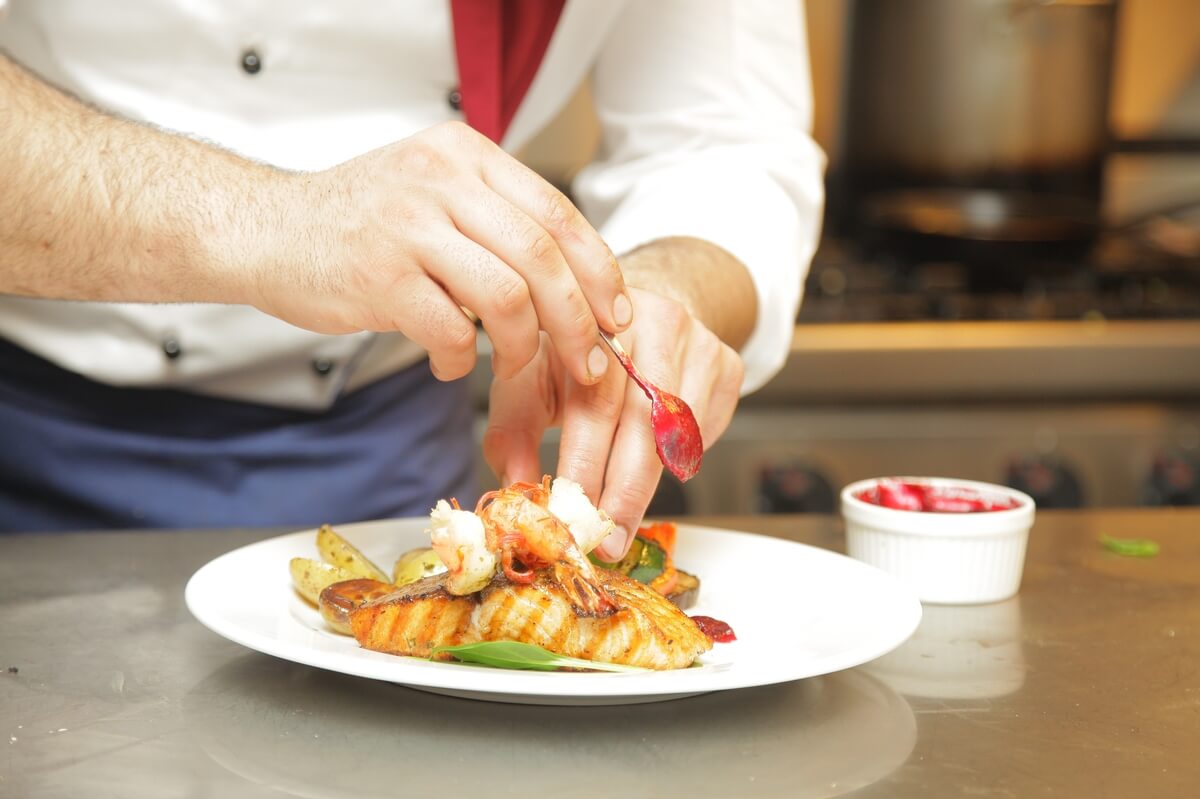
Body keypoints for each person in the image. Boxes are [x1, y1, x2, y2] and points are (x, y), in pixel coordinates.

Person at [0, 0, 823, 559]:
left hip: (393, 458)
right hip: (28, 440)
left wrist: (666, 287)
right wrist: (275, 218)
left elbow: (723, 137)